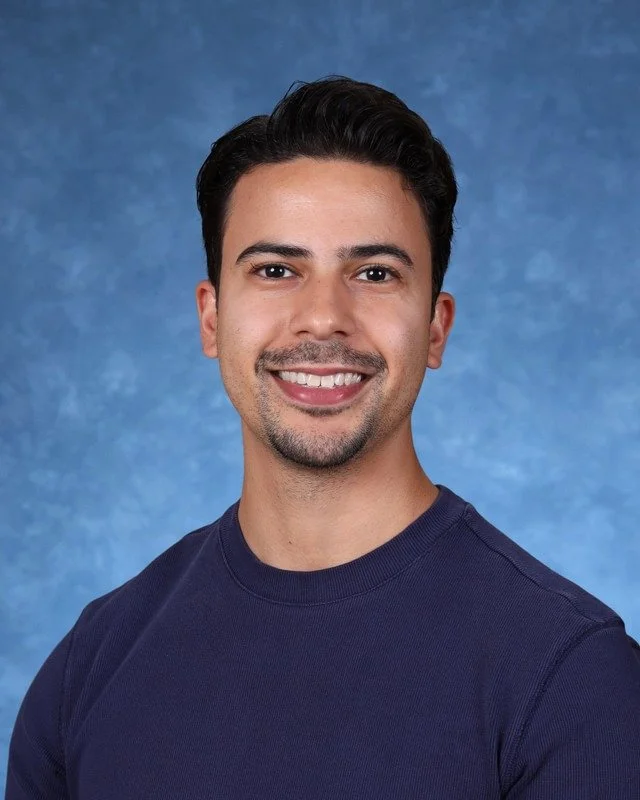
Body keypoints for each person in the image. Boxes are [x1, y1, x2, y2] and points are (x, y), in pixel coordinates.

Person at [5, 75, 640, 800]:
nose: (322, 318)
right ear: (211, 318)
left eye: (374, 273)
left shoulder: (570, 678)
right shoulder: (93, 663)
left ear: (437, 326)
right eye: (276, 270)